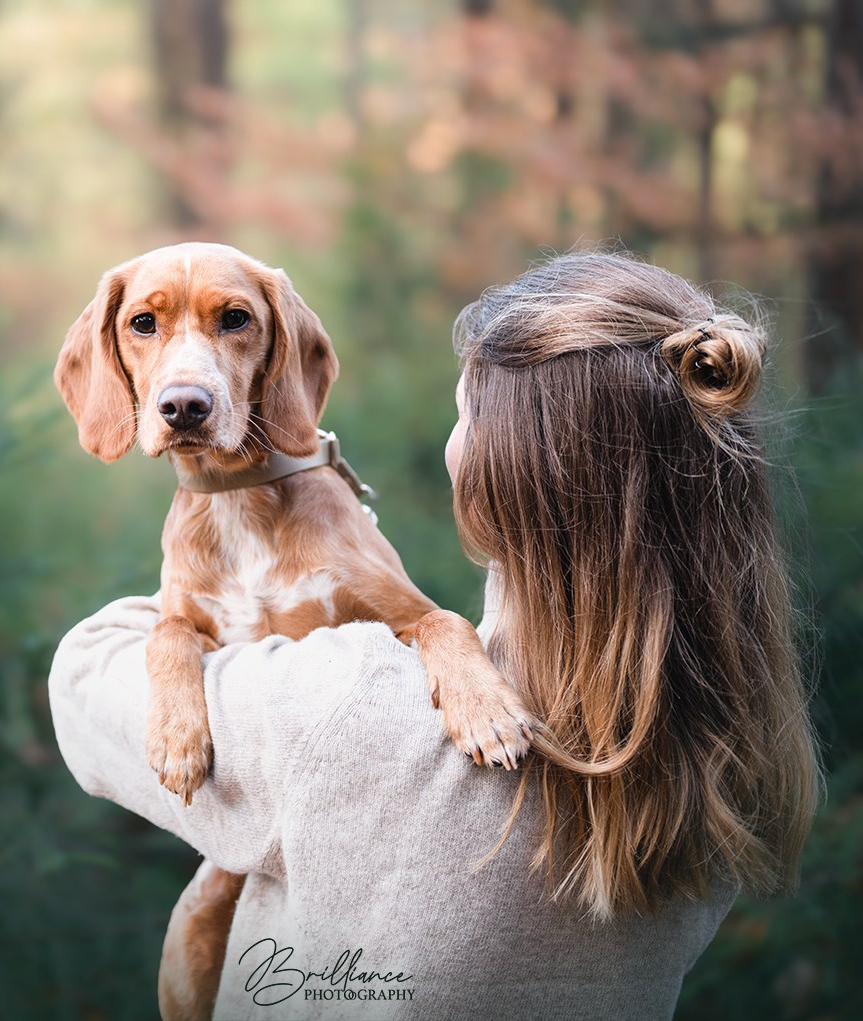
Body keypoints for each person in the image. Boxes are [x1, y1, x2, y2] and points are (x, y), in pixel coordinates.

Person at [48, 250, 820, 1019]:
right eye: (146, 325)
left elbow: (82, 678)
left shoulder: (341, 707)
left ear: (505, 469)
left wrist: (176, 631)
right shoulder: (727, 750)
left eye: (463, 414)